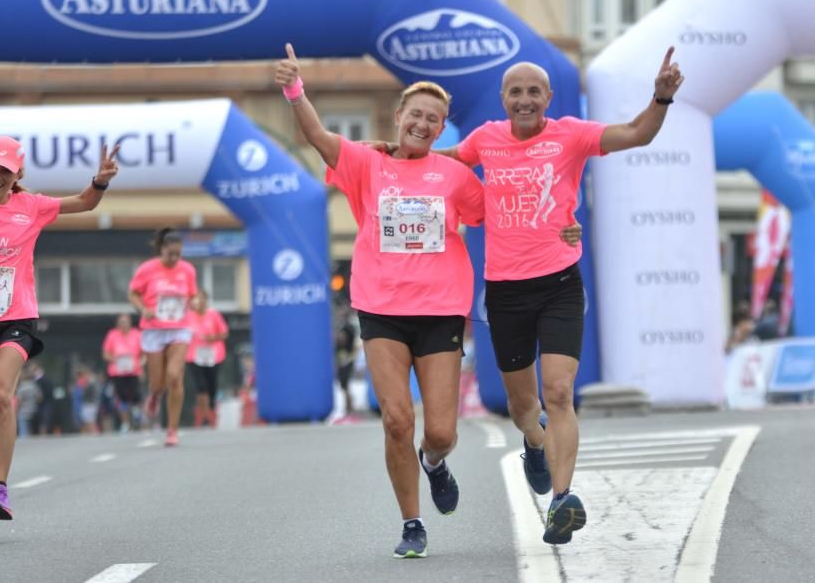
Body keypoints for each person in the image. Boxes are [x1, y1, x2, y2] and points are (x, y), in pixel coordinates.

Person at [275, 43, 586, 559]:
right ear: (399, 117)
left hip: (441, 309)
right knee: (397, 419)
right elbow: (316, 137)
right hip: (380, 307)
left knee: (440, 431)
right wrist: (294, 90)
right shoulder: (366, 164)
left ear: (441, 129)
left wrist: (563, 225)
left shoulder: (456, 177)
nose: (422, 123)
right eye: (415, 114)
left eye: (433, 119)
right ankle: (413, 523)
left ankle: (434, 462)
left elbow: (515, 208)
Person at [437, 48, 684, 544]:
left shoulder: (571, 133)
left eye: (534, 92)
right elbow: (438, 166)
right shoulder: (485, 139)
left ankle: (561, 501)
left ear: (548, 97)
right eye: (516, 92)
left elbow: (636, 133)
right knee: (523, 405)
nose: (525, 99)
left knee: (558, 392)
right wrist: (389, 151)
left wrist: (660, 97)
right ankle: (534, 442)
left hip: (559, 285)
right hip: (505, 291)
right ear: (503, 100)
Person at [0, 136, 119, 520]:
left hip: (16, 318)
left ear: (18, 172)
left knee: (2, 395)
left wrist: (100, 180)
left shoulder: (31, 207)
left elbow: (85, 202)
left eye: (4, 170)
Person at [128, 228, 198, 447]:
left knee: (174, 376)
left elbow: (193, 294)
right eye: (170, 254)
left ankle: (172, 429)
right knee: (158, 383)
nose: (175, 259)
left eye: (178, 254)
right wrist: (143, 309)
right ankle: (155, 396)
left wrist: (194, 302)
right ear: (162, 250)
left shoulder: (187, 270)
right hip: (154, 328)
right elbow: (133, 293)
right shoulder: (147, 269)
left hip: (179, 328)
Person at [185, 290, 229, 428]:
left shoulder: (213, 314)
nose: (198, 302)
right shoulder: (188, 316)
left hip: (213, 356)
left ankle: (211, 412)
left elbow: (224, 333)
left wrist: (212, 338)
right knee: (200, 386)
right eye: (195, 299)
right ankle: (203, 416)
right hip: (194, 356)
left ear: (205, 300)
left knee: (211, 386)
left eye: (201, 299)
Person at [102, 312, 144, 432]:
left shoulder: (137, 334)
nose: (124, 325)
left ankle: (137, 418)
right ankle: (125, 423)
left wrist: (142, 363)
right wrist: (115, 359)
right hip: (118, 372)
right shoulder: (112, 335)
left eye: (126, 322)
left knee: (136, 396)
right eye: (121, 322)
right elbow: (106, 354)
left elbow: (144, 353)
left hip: (134, 371)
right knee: (121, 398)